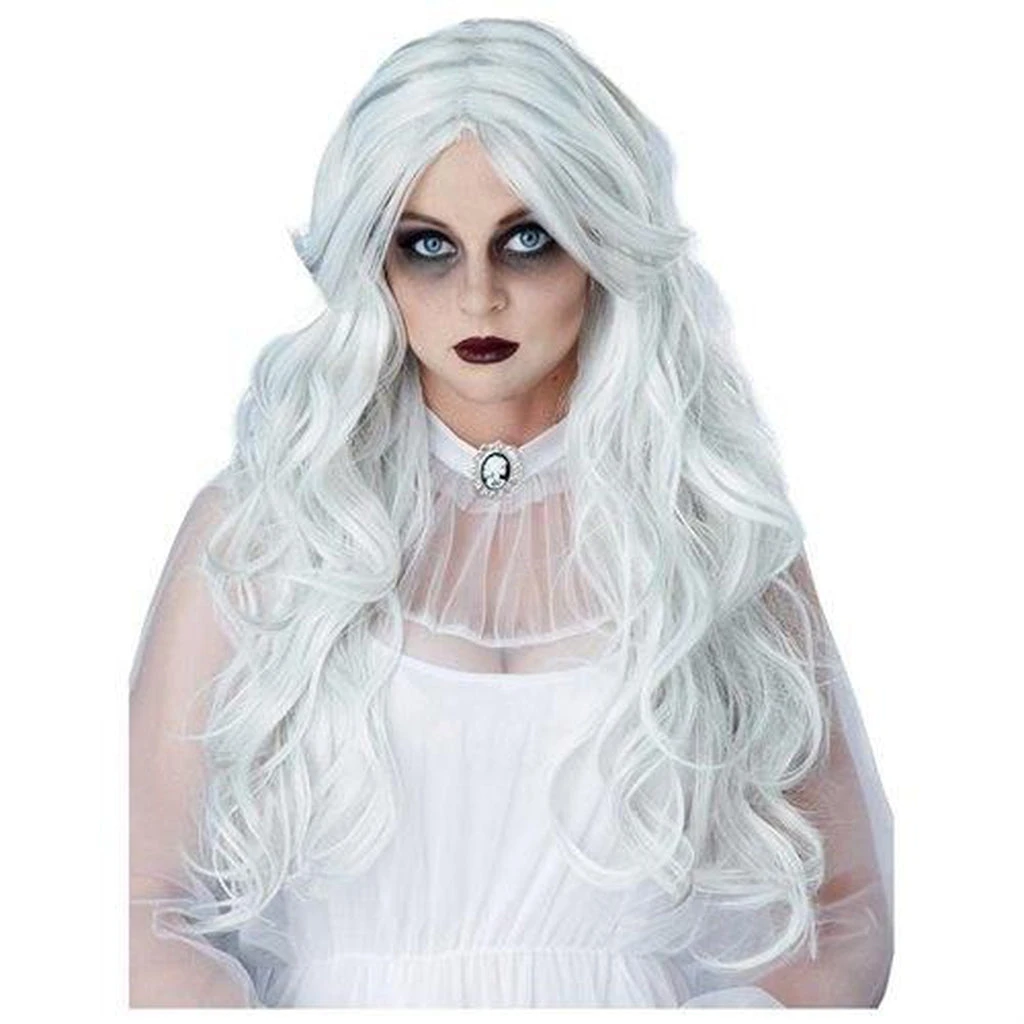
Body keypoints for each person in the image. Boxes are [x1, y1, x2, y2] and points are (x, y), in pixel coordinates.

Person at [129, 17, 893, 1008]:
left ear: (599, 246)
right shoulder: (267, 531)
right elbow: (143, 904)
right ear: (374, 261)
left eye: (527, 240)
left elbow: (846, 907)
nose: (478, 296)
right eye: (428, 247)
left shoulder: (710, 534)